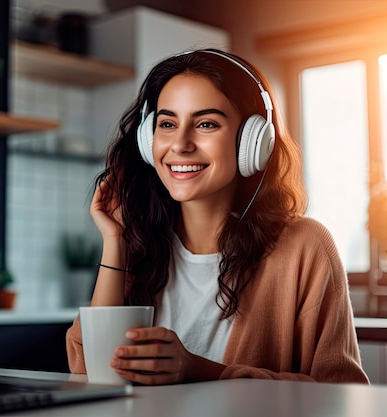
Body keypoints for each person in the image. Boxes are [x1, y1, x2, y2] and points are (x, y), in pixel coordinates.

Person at [65, 49, 369, 385]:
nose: (180, 144)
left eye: (206, 124)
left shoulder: (305, 246)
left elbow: (344, 394)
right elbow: (91, 372)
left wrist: (203, 373)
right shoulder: (139, 243)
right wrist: (115, 242)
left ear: (252, 141)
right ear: (147, 139)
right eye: (167, 124)